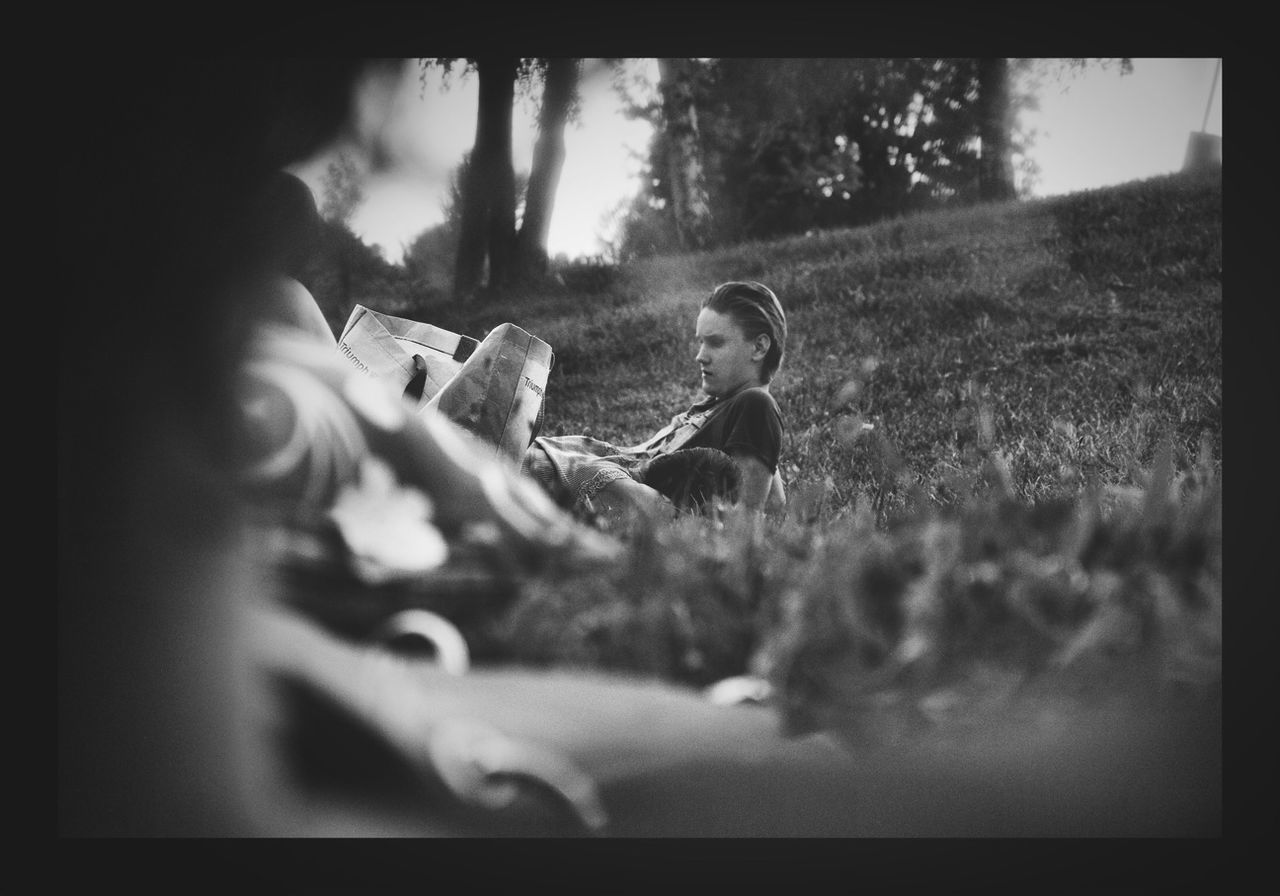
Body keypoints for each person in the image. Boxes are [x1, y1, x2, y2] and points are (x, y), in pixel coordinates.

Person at [519, 280, 789, 524]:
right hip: (579, 465)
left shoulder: (756, 404)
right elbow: (774, 503)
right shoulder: (725, 406)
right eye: (701, 343)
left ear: (759, 347)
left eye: (715, 343)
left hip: (596, 480)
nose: (700, 356)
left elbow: (746, 519)